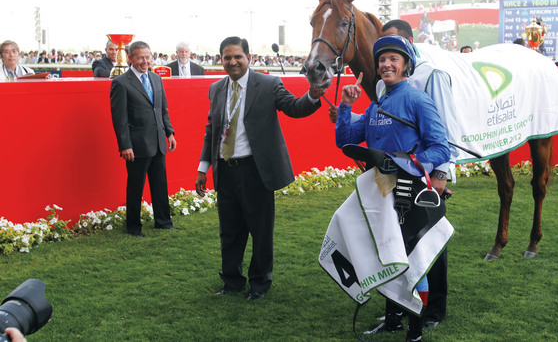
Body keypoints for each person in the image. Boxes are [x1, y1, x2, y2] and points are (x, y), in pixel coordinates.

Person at [335, 35, 450, 342]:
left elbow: (440, 147)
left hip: (409, 191)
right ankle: (393, 320)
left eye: (393, 59)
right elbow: (344, 139)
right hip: (380, 190)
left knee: (412, 257)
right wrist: (346, 106)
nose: (386, 64)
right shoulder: (377, 105)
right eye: (382, 60)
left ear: (406, 65)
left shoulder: (417, 100)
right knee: (387, 251)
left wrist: (410, 163)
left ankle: (415, 330)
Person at [194, 36, 326, 301]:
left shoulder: (268, 84)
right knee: (229, 231)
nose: (233, 62)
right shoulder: (216, 88)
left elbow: (293, 107)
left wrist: (312, 95)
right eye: (227, 58)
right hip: (225, 170)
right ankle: (231, 281)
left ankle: (259, 283)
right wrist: (203, 168)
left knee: (260, 231)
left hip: (255, 170)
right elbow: (212, 130)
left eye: (237, 57)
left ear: (249, 58)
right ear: (221, 60)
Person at [110, 41, 177, 236]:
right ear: (130, 58)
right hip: (137, 145)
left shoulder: (156, 79)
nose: (145, 61)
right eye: (140, 57)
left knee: (160, 185)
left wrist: (169, 132)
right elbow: (119, 119)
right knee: (135, 188)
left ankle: (164, 222)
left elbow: (162, 109)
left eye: (148, 57)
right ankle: (133, 227)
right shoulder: (121, 83)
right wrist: (125, 145)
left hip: (158, 142)